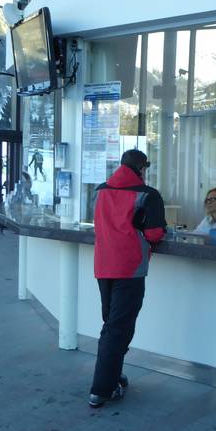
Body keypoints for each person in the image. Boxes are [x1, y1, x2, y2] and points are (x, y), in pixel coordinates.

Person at [89, 149, 167, 408]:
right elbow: (155, 234)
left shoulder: (100, 190)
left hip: (103, 265)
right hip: (129, 267)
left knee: (112, 324)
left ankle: (112, 374)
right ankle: (102, 389)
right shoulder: (148, 194)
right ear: (142, 168)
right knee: (119, 328)